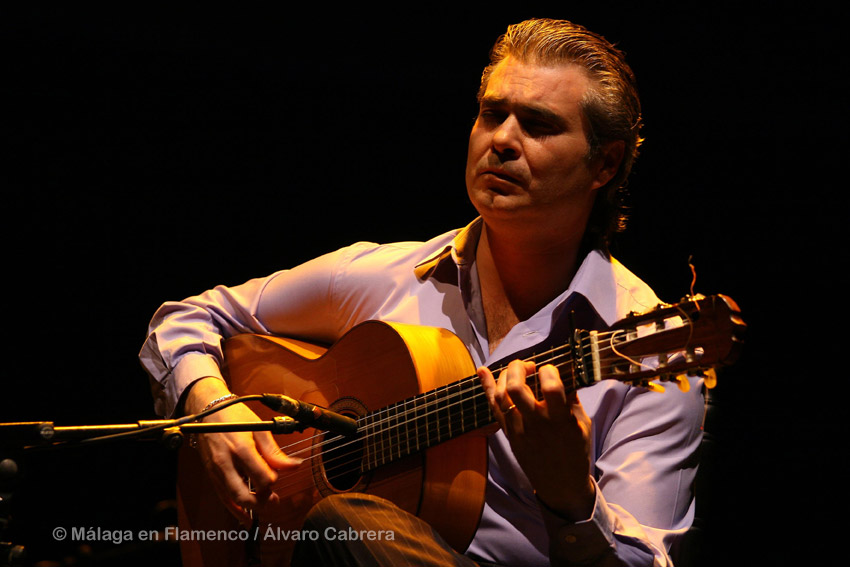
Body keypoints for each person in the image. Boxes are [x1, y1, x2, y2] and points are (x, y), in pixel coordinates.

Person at [140, 18, 706, 566]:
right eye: (492, 114)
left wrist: (572, 499)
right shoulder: (383, 275)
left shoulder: (652, 351)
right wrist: (213, 411)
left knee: (347, 525)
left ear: (605, 163)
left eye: (537, 125)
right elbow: (187, 318)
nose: (502, 140)